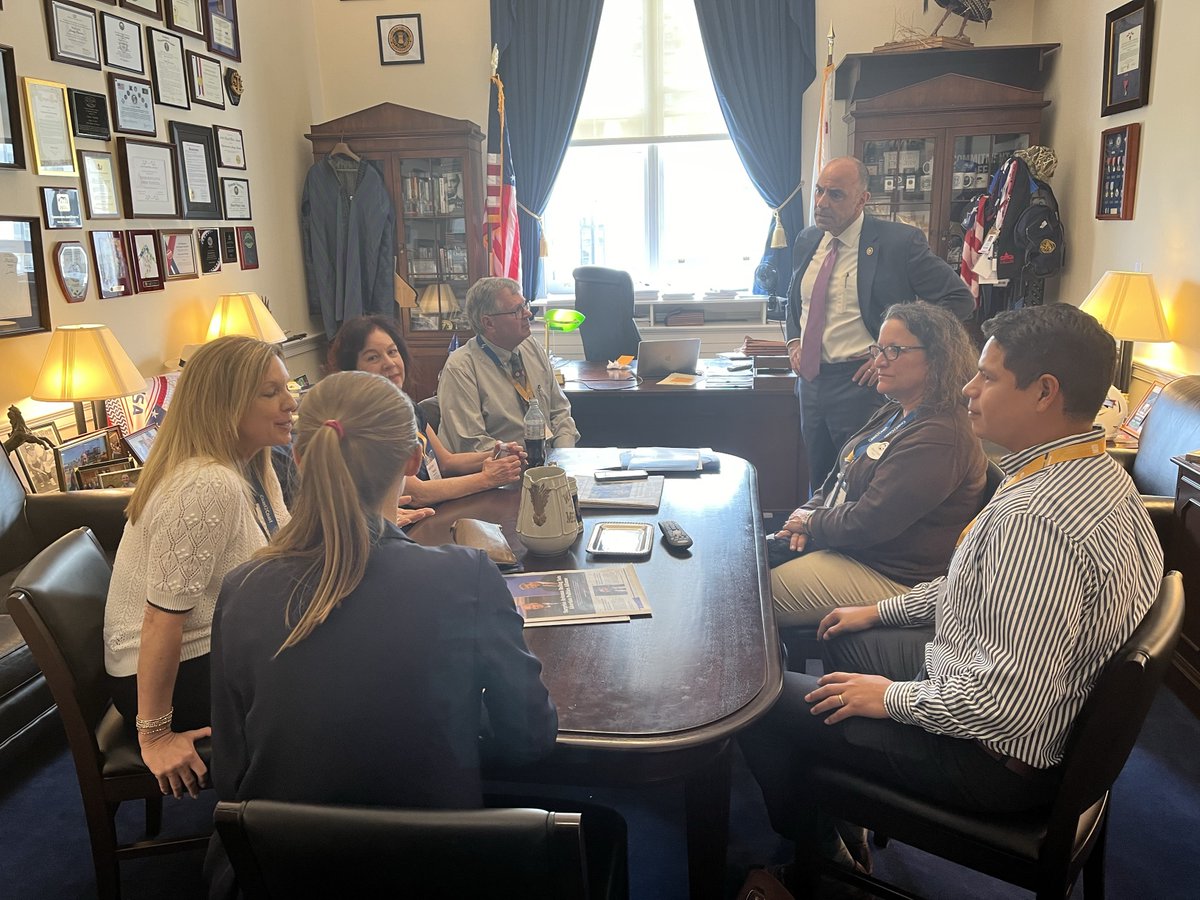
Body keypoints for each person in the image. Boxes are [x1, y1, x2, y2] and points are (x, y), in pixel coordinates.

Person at [741, 303, 1162, 883]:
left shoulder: (1036, 520)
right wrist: (879, 610)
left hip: (995, 759)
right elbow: (972, 583)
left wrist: (889, 699)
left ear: (1044, 392)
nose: (968, 388)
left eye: (988, 377)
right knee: (839, 636)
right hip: (1008, 695)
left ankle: (826, 865)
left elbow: (1005, 708)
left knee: (754, 703)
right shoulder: (1101, 473)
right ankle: (841, 815)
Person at [206, 370, 557, 897]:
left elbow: (232, 772)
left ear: (299, 458)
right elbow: (528, 739)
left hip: (278, 874)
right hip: (434, 869)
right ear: (414, 460)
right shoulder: (466, 577)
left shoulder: (241, 589)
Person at [103, 336, 296, 801]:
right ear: (225, 405)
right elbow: (161, 619)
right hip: (172, 677)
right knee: (337, 678)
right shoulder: (205, 484)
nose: (291, 402)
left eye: (286, 388)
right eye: (271, 393)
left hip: (212, 649)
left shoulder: (252, 464)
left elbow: (286, 548)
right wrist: (154, 736)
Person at [769, 302, 987, 628]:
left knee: (748, 595)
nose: (879, 361)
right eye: (879, 349)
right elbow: (839, 477)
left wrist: (811, 523)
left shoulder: (941, 435)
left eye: (895, 351)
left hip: (893, 577)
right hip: (854, 551)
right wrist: (803, 519)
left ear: (938, 357)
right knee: (745, 567)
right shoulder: (898, 410)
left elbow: (870, 521)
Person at [786, 156, 974, 492]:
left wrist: (893, 354)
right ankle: (814, 537)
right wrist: (794, 343)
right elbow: (796, 302)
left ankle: (853, 542)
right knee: (819, 479)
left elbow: (958, 300)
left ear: (862, 200)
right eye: (819, 191)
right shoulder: (807, 240)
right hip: (811, 384)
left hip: (862, 385)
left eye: (836, 195)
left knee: (859, 481)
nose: (822, 203)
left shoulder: (898, 243)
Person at [330, 315, 525, 507]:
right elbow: (416, 493)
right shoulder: (364, 423)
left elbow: (446, 462)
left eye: (392, 352)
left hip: (437, 509)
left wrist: (496, 454)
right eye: (373, 357)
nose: (389, 363)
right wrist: (486, 479)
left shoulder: (408, 406)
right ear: (352, 369)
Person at [437, 277, 579, 453]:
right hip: (501, 472)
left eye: (524, 305)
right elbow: (471, 443)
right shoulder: (461, 368)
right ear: (489, 323)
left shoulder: (531, 346)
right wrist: (526, 462)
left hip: (550, 462)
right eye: (517, 311)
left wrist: (563, 455)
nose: (528, 314)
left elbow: (560, 412)